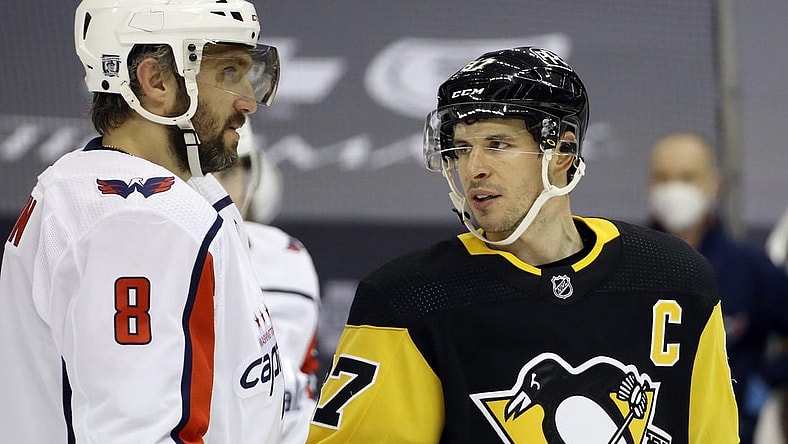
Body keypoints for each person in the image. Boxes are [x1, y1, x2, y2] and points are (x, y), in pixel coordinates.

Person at [307, 46, 739, 443]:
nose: (473, 168)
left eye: (497, 144)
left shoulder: (676, 277)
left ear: (563, 153)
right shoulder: (406, 298)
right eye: (460, 148)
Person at [0, 0, 286, 442]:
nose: (248, 100)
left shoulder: (126, 196)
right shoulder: (138, 217)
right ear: (155, 81)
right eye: (228, 73)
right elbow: (138, 433)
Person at [647, 131, 788, 444]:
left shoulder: (749, 269)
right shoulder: (624, 263)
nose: (673, 188)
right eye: (663, 177)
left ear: (714, 183)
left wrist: (767, 379)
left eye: (686, 177)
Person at [214, 124, 321, 444]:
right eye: (203, 171)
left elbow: (301, 394)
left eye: (228, 170)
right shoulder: (139, 260)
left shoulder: (288, 258)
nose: (214, 189)